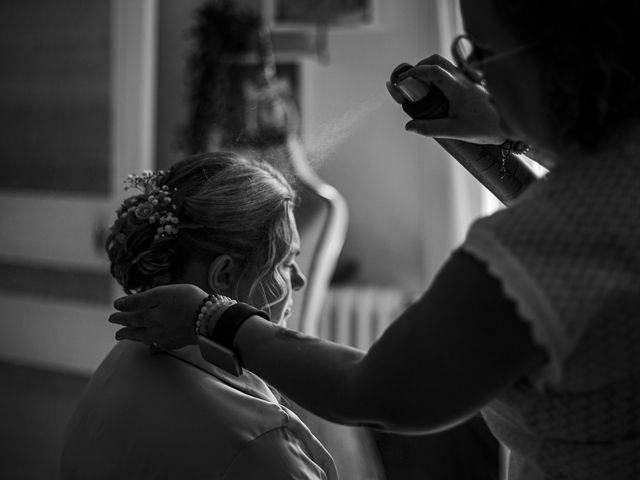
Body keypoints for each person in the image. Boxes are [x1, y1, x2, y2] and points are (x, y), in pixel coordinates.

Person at [108, 0, 640, 478]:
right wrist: (511, 128)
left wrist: (213, 319)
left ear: (557, 60)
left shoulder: (547, 245)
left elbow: (373, 391)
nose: (473, 72)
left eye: (482, 52)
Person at [60, 152, 338, 480]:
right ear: (224, 276)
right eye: (286, 263)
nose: (300, 281)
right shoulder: (260, 447)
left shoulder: (119, 364)